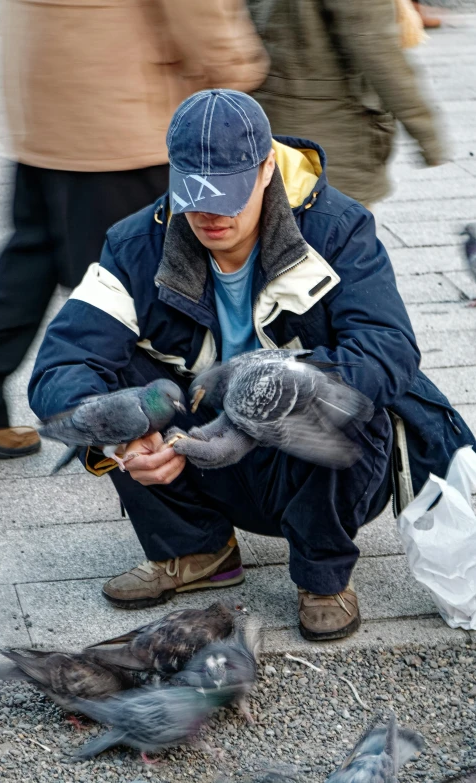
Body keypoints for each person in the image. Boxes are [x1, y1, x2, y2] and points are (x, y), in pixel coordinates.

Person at [29, 90, 474, 641]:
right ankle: (196, 548)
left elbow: (391, 350)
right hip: (199, 459)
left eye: (229, 194)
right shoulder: (133, 244)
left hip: (321, 466)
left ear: (267, 170)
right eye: (195, 194)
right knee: (115, 398)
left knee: (342, 394)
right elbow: (60, 366)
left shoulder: (338, 228)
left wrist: (257, 409)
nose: (211, 213)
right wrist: (120, 441)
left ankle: (323, 574)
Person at [0, 0, 267, 458]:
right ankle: (137, 428)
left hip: (44, 89)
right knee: (133, 272)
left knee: (33, 256)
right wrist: (236, 68)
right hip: (116, 101)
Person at [247, 0, 444, 207]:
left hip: (269, 117)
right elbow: (378, 51)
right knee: (338, 229)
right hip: (334, 132)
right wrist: (426, 132)